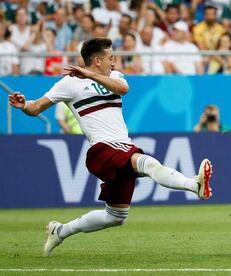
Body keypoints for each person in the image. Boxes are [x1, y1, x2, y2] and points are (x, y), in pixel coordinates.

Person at [8, 38, 213, 256]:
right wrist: (25, 105)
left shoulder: (114, 77)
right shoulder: (69, 84)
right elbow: (37, 107)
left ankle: (60, 231)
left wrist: (90, 75)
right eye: (110, 58)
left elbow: (124, 89)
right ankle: (194, 185)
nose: (113, 62)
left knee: (115, 216)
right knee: (148, 163)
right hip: (101, 149)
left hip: (121, 145)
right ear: (97, 60)